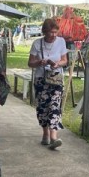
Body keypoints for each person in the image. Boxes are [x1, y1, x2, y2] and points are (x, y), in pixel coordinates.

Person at [28, 18, 68, 150]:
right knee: (43, 107)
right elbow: (30, 63)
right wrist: (39, 62)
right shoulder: (37, 43)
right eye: (51, 32)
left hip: (56, 79)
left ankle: (53, 136)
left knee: (55, 105)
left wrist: (57, 64)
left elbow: (64, 60)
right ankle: (45, 133)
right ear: (45, 32)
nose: (54, 35)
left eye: (56, 32)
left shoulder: (61, 41)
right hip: (41, 79)